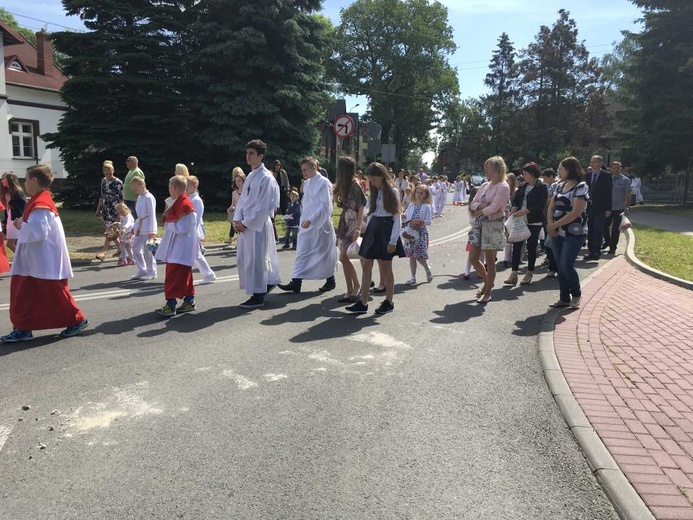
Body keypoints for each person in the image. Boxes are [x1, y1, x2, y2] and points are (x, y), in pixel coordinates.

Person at [1, 165, 88, 342]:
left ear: (34, 180)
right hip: (35, 260)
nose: (24, 183)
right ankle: (23, 328)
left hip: (43, 261)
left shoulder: (41, 204)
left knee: (54, 296)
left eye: (26, 179)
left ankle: (76, 320)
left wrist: (19, 225)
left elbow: (38, 232)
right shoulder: (39, 200)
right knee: (25, 295)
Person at [346, 162, 404, 315]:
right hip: (374, 228)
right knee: (366, 265)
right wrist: (362, 228)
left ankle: (389, 301)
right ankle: (363, 302)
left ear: (382, 176)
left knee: (386, 268)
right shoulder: (375, 191)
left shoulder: (392, 191)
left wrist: (393, 241)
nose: (373, 183)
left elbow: (397, 217)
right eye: (371, 180)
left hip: (386, 229)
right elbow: (371, 212)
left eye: (375, 180)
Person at [278, 156, 338, 294]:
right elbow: (306, 204)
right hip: (306, 225)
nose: (303, 172)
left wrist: (311, 219)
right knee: (302, 252)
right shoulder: (308, 183)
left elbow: (326, 206)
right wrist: (304, 219)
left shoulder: (324, 183)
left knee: (324, 254)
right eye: (302, 170)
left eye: (305, 169)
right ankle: (296, 282)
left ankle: (330, 280)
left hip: (320, 225)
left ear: (314, 168)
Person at [233, 139, 281, 309]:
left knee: (256, 260)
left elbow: (263, 206)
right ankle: (263, 285)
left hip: (257, 225)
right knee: (243, 259)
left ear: (261, 156)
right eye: (247, 153)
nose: (248, 156)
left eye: (251, 153)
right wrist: (237, 220)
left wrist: (245, 223)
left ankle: (258, 295)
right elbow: (242, 200)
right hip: (246, 224)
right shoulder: (252, 175)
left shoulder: (266, 178)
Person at [547, 157, 589, 309]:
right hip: (557, 232)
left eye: (561, 169)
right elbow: (551, 207)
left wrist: (554, 225)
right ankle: (564, 298)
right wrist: (551, 225)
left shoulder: (581, 186)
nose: (558, 172)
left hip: (574, 232)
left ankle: (576, 294)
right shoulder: (559, 186)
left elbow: (576, 212)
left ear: (570, 170)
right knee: (559, 265)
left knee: (566, 265)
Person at [468, 156, 511, 304]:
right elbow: (473, 202)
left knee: (490, 261)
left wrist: (481, 208)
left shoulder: (503, 187)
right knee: (473, 258)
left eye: (489, 168)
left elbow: (494, 208)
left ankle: (488, 292)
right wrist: (481, 208)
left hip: (493, 226)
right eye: (485, 168)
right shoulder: (485, 185)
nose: (486, 170)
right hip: (479, 224)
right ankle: (488, 282)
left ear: (498, 169)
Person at [154, 175, 198, 317]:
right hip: (179, 248)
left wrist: (169, 221)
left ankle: (170, 305)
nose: (168, 190)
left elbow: (183, 228)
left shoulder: (185, 205)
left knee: (173, 276)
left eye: (169, 187)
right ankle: (189, 301)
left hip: (180, 249)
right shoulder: (179, 202)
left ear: (174, 188)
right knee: (185, 275)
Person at [504, 162, 548, 286]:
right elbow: (516, 201)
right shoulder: (523, 186)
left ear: (533, 174)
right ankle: (514, 273)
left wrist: (527, 211)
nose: (524, 176)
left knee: (531, 247)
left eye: (526, 174)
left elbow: (541, 205)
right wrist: (515, 208)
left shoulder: (542, 187)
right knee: (517, 246)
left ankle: (529, 272)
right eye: (523, 174)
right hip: (520, 220)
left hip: (534, 221)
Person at [333, 156, 367, 303]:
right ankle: (349, 289)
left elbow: (361, 207)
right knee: (343, 256)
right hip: (345, 221)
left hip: (353, 223)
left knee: (344, 256)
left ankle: (357, 286)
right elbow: (338, 202)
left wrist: (358, 228)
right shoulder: (344, 184)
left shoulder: (355, 185)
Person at [186, 176, 216, 284]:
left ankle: (209, 274)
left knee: (197, 254)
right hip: (190, 230)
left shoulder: (196, 200)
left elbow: (197, 217)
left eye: (188, 185)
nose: (186, 188)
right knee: (195, 254)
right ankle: (208, 273)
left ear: (194, 186)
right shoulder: (189, 198)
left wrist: (192, 230)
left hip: (194, 230)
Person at [403, 184, 433, 285]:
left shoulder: (426, 207)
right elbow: (406, 217)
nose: (419, 195)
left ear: (425, 195)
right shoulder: (411, 205)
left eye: (421, 193)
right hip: (410, 232)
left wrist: (420, 221)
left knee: (419, 255)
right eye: (417, 192)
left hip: (420, 233)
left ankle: (427, 270)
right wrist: (403, 216)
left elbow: (428, 221)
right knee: (411, 255)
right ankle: (413, 277)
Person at [585, 155, 613, 261]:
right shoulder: (588, 176)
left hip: (601, 207)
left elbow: (608, 193)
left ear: (600, 163)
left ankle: (596, 251)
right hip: (589, 206)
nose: (592, 164)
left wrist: (608, 208)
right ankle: (591, 250)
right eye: (591, 162)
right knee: (590, 229)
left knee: (598, 229)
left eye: (595, 162)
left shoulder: (606, 176)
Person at [129, 177, 158, 280]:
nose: (135, 191)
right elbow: (139, 216)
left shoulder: (149, 197)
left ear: (142, 186)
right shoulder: (140, 197)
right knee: (135, 248)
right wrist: (134, 227)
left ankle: (152, 272)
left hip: (148, 228)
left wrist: (152, 231)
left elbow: (152, 215)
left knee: (148, 251)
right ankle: (142, 269)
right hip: (140, 228)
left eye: (136, 189)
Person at [95, 160, 124, 261]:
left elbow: (121, 199)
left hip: (115, 209)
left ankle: (104, 252)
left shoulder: (118, 182)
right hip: (106, 209)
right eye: (106, 173)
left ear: (113, 171)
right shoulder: (104, 181)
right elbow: (102, 196)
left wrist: (120, 214)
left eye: (110, 173)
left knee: (109, 231)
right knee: (111, 231)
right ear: (104, 172)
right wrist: (98, 209)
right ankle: (121, 248)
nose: (108, 175)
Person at [603, 162, 631, 255]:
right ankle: (607, 241)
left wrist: (627, 206)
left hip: (619, 208)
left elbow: (628, 194)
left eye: (618, 168)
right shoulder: (607, 179)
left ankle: (612, 247)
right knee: (604, 226)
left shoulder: (625, 180)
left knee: (615, 229)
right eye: (614, 168)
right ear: (610, 169)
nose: (616, 169)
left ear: (621, 169)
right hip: (607, 207)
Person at [1, 172, 26, 252]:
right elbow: (7, 209)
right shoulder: (8, 191)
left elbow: (23, 206)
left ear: (10, 179)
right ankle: (22, 260)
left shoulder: (17, 191)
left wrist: (10, 202)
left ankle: (23, 259)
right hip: (10, 220)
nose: (2, 181)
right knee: (15, 243)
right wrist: (5, 221)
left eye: (4, 178)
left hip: (16, 220)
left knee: (10, 244)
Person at [541, 168, 559, 277]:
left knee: (553, 243)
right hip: (550, 216)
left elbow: (548, 200)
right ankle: (552, 265)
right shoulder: (549, 187)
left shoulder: (555, 186)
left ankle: (555, 267)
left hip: (557, 218)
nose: (544, 180)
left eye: (545, 177)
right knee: (550, 242)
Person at [227, 168, 245, 245]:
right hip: (237, 214)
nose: (237, 183)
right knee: (236, 228)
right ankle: (238, 243)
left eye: (239, 181)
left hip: (245, 214)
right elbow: (233, 204)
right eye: (236, 181)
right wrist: (231, 209)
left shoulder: (247, 192)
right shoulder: (234, 193)